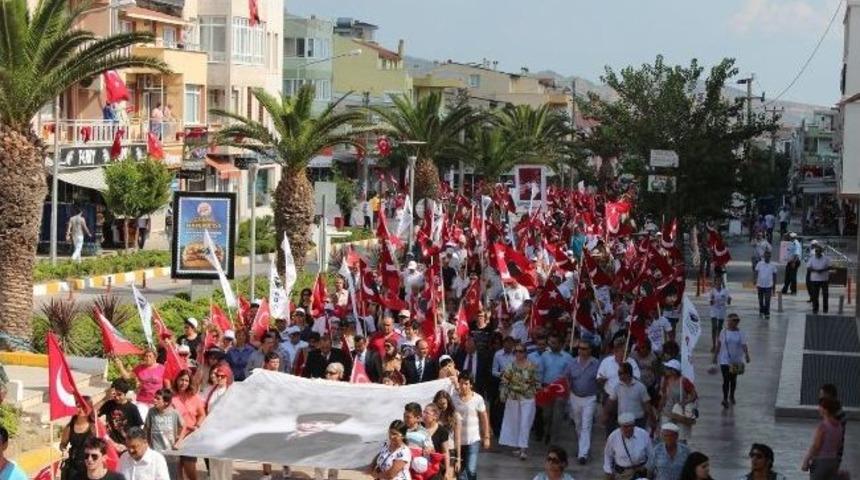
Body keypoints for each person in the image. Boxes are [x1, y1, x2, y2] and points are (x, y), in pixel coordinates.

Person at [498, 343, 540, 460]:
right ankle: (517, 445)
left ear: (525, 353)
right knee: (514, 422)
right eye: (516, 351)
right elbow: (504, 382)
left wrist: (534, 392)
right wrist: (503, 394)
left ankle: (523, 449)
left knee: (525, 422)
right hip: (513, 398)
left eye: (521, 351)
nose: (518, 354)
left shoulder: (532, 366)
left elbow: (537, 382)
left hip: (528, 398)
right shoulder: (510, 366)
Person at [565, 339, 599, 465]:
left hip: (590, 398)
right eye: (580, 348)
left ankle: (583, 454)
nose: (581, 351)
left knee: (586, 425)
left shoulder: (596, 363)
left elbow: (600, 379)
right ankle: (582, 445)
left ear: (590, 350)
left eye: (584, 348)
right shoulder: (572, 363)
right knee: (578, 424)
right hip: (574, 397)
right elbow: (566, 377)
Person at [453, 373, 491, 480]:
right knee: (461, 471)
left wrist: (486, 437)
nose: (463, 386)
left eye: (466, 383)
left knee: (471, 469)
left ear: (471, 385)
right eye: (461, 383)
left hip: (473, 440)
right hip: (458, 440)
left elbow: (484, 418)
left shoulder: (478, 398)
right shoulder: (453, 398)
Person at [538, 334, 573, 445]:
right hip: (547, 388)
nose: (551, 345)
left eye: (554, 342)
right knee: (546, 415)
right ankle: (547, 431)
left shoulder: (567, 357)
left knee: (557, 416)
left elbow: (569, 375)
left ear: (561, 344)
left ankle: (554, 439)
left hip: (560, 390)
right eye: (550, 342)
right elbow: (540, 371)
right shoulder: (545, 355)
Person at [113, 349, 167, 419]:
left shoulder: (162, 368)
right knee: (141, 420)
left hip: (157, 401)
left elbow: (167, 384)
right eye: (146, 356)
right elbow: (127, 376)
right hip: (142, 400)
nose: (147, 358)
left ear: (155, 357)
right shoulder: (140, 368)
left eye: (150, 356)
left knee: (155, 423)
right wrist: (120, 365)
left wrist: (167, 399)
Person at [171, 370, 204, 480]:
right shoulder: (171, 397)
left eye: (186, 380)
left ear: (189, 383)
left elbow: (202, 414)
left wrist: (197, 426)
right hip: (175, 437)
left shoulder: (194, 397)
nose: (183, 383)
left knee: (190, 472)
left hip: (190, 437)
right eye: (181, 380)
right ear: (177, 380)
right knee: (176, 473)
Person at [801, 397, 844, 479]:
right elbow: (838, 445)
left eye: (821, 407)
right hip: (833, 461)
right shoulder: (839, 426)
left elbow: (816, 446)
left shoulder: (823, 426)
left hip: (821, 462)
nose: (819, 409)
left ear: (826, 410)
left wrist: (806, 460)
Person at [713, 313, 750, 408]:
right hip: (724, 360)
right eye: (733, 320)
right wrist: (715, 356)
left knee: (733, 379)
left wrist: (747, 355)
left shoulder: (740, 333)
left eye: (737, 321)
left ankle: (732, 395)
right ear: (728, 321)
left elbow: (744, 345)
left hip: (736, 360)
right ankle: (725, 398)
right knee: (726, 379)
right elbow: (719, 344)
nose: (735, 322)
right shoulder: (723, 332)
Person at [202, 366, 233, 480]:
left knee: (225, 462)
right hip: (211, 431)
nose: (219, 378)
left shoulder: (231, 390)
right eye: (218, 376)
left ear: (227, 377)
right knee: (213, 461)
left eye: (222, 376)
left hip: (225, 431)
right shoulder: (211, 390)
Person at [143, 389, 183, 478]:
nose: (154, 400)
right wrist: (147, 444)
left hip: (170, 454)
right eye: (154, 397)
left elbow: (183, 426)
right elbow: (146, 429)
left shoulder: (174, 413)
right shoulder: (151, 412)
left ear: (166, 402)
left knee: (171, 476)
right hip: (156, 453)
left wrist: (179, 440)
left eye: (158, 399)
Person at [97, 378, 144, 449]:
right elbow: (93, 412)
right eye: (114, 394)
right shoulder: (109, 404)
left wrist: (130, 443)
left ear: (125, 394)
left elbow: (138, 428)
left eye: (120, 394)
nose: (117, 397)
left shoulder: (132, 408)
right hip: (110, 443)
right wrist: (105, 398)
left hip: (125, 445)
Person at [602, 413, 651, 480]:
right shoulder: (613, 436)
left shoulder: (643, 434)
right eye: (625, 427)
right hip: (623, 474)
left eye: (631, 426)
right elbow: (608, 456)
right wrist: (608, 472)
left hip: (641, 472)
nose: (628, 429)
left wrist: (647, 468)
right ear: (620, 427)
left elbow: (651, 454)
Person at [658, 360, 697, 442]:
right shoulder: (664, 380)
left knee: (680, 438)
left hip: (680, 413)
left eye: (667, 368)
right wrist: (659, 411)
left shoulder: (684, 381)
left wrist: (685, 402)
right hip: (667, 413)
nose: (665, 370)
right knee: (665, 437)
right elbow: (663, 396)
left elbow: (694, 395)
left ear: (674, 371)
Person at [605, 363, 653, 430]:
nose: (619, 376)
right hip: (622, 420)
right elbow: (611, 401)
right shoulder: (617, 387)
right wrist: (606, 414)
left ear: (628, 373)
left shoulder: (640, 387)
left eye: (621, 373)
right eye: (619, 373)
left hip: (637, 421)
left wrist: (651, 419)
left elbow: (647, 405)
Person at [60, 396, 96, 480]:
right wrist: (64, 450)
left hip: (90, 465)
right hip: (73, 466)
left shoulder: (94, 427)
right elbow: (63, 444)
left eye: (83, 406)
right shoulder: (69, 427)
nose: (80, 409)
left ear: (89, 408)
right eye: (78, 406)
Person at [434, 390, 463, 475]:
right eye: (439, 404)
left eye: (443, 404)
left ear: (448, 403)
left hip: (450, 450)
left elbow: (457, 439)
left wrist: (458, 459)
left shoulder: (455, 416)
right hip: (436, 451)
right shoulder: (432, 416)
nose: (441, 407)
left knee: (449, 477)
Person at [422, 403, 453, 480]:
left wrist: (447, 471)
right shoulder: (419, 428)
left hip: (435, 468)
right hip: (420, 466)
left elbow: (445, 452)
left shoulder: (442, 431)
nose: (424, 415)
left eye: (427, 413)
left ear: (435, 416)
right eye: (424, 412)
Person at [806, 244, 832, 314]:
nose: (817, 252)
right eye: (816, 251)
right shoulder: (812, 258)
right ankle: (815, 309)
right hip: (814, 279)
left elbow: (829, 267)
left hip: (824, 279)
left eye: (819, 251)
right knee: (815, 295)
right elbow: (808, 267)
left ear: (821, 251)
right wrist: (815, 270)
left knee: (825, 295)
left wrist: (822, 270)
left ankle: (825, 309)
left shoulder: (826, 258)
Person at [753, 250, 777, 319]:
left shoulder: (773, 265)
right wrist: (755, 279)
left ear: (770, 257)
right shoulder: (759, 264)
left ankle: (767, 313)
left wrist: (774, 287)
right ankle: (761, 311)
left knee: (767, 300)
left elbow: (775, 276)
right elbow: (756, 272)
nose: (767, 257)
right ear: (764, 256)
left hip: (768, 286)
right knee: (760, 300)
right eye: (765, 256)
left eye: (768, 256)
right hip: (760, 285)